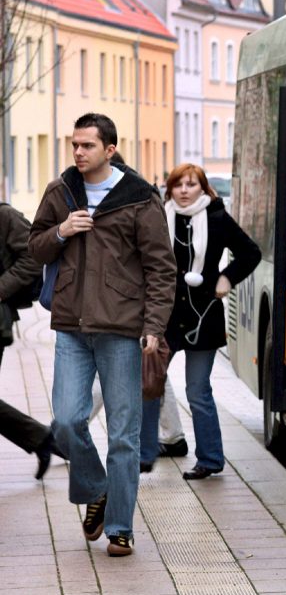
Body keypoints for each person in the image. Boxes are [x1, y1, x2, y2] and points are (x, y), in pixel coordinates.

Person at [29, 113, 176, 557]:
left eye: (87, 146)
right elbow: (34, 245)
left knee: (124, 434)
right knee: (67, 421)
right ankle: (97, 488)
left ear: (110, 150)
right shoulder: (61, 192)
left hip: (121, 329)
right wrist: (61, 231)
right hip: (72, 326)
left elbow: (160, 267)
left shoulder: (139, 199)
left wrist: (154, 326)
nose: (78, 152)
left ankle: (119, 527)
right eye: (74, 144)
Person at [139, 164, 260, 479]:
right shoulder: (158, 217)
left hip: (202, 316)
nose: (183, 190)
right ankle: (145, 451)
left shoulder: (217, 217)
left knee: (197, 390)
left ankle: (209, 459)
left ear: (202, 188)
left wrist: (227, 278)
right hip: (164, 315)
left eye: (191, 184)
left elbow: (250, 253)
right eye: (177, 184)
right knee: (149, 383)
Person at [88, 153, 189, 460]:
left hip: (135, 307)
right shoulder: (141, 197)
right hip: (143, 306)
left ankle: (64, 433)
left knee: (119, 372)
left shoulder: (136, 200)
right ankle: (173, 436)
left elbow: (155, 263)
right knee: (153, 371)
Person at [0, 201, 58, 479]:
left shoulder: (4, 215)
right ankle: (40, 438)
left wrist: (1, 289)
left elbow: (34, 257)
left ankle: (41, 438)